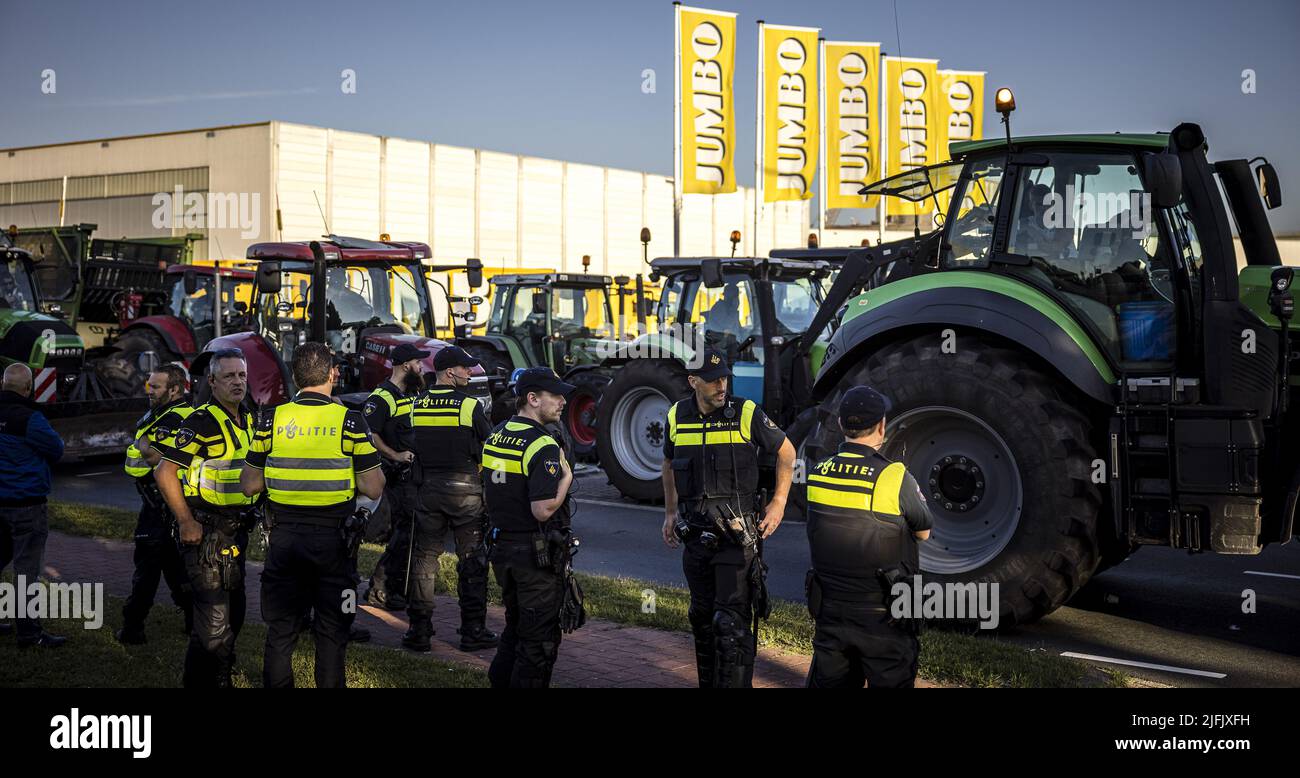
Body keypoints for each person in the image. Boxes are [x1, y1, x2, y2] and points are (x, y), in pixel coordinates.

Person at [241, 342, 386, 688]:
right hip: (333, 542)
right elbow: (374, 487)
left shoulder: (271, 419)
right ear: (333, 375)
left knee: (281, 631)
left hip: (284, 538)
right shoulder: (350, 421)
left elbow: (249, 485)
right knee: (332, 632)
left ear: (294, 375)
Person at [661, 348, 795, 687]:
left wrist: (779, 502)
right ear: (693, 382)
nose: (721, 386)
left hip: (736, 540)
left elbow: (787, 451)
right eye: (712, 380)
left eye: (724, 379)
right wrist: (670, 512)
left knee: (730, 626)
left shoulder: (746, 412)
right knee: (702, 620)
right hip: (696, 538)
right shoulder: (677, 416)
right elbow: (668, 462)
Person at [804, 386, 933, 688]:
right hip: (884, 618)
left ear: (840, 425)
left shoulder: (818, 473)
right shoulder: (895, 477)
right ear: (881, 426)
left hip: (831, 613)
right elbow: (924, 533)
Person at [156, 350, 256, 687]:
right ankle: (211, 679)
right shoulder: (201, 421)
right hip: (205, 536)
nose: (238, 382)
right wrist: (186, 521)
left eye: (241, 375)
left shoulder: (249, 419)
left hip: (236, 534)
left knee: (235, 613)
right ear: (211, 382)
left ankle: (217, 671)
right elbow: (164, 472)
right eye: (229, 376)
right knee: (214, 622)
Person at [483, 367, 575, 687]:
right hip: (532, 558)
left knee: (515, 627)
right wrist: (566, 479)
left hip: (503, 549)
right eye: (556, 396)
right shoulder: (543, 444)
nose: (563, 402)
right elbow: (542, 509)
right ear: (533, 399)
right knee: (538, 644)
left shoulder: (497, 432)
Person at [404, 345, 498, 652]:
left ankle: (419, 631)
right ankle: (473, 630)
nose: (470, 372)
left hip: (428, 491)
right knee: (471, 562)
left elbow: (414, 443)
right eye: (465, 368)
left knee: (423, 561)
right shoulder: (469, 406)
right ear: (449, 372)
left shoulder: (418, 404)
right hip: (465, 492)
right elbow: (490, 443)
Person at [117, 364, 195, 645]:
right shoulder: (167, 413)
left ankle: (132, 628)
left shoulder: (173, 417)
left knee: (148, 569)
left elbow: (154, 458)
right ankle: (193, 621)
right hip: (167, 504)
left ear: (175, 389)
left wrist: (144, 440)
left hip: (160, 506)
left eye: (156, 386)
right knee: (177, 568)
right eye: (149, 384)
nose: (149, 390)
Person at [0, 363, 66, 647]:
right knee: (27, 570)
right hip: (27, 504)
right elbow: (57, 449)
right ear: (28, 388)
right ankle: (29, 633)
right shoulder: (30, 418)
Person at [364, 343, 425, 611]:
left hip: (413, 476)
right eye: (418, 363)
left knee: (410, 533)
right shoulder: (382, 397)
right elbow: (371, 435)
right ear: (404, 366)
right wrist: (395, 455)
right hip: (396, 477)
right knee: (403, 533)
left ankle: (396, 588)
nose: (422, 367)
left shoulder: (411, 394)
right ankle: (380, 588)